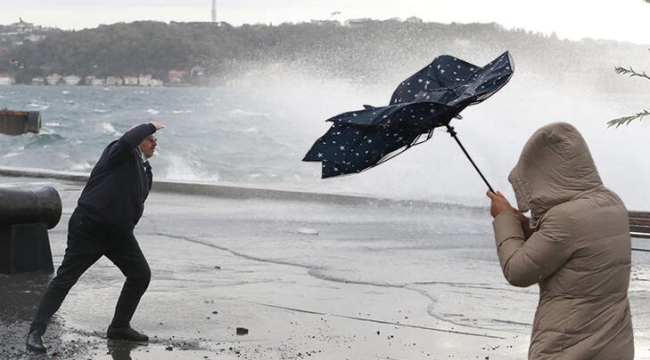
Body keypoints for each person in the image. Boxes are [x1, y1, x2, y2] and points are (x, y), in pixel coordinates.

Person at [486, 122, 634, 360]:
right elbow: (571, 248)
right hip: (614, 343)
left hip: (568, 344)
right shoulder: (611, 201)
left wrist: (504, 219)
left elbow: (517, 272)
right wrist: (522, 223)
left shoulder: (564, 217)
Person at [26, 121, 165, 353]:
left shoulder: (144, 169)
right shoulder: (118, 151)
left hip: (119, 235)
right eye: (150, 138)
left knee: (140, 274)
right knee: (65, 279)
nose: (155, 142)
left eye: (154, 139)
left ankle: (119, 327)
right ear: (137, 138)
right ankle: (35, 332)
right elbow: (126, 140)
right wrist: (149, 125)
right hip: (89, 227)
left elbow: (136, 201)